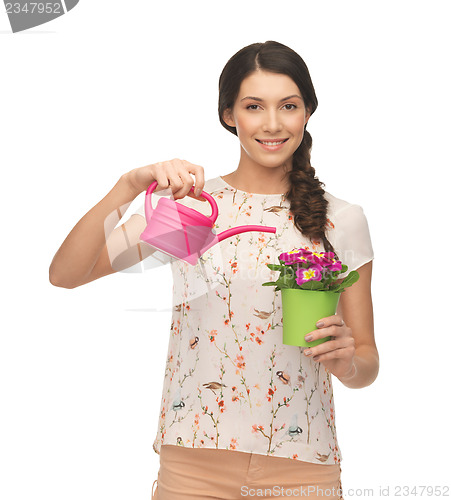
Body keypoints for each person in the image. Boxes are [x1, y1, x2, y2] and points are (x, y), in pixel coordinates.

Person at [49, 40, 379, 499]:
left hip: (303, 467)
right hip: (193, 466)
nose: (272, 123)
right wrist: (126, 186)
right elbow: (67, 273)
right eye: (253, 106)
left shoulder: (339, 219)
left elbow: (367, 361)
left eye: (288, 105)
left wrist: (347, 363)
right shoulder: (197, 210)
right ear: (229, 115)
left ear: (307, 113)